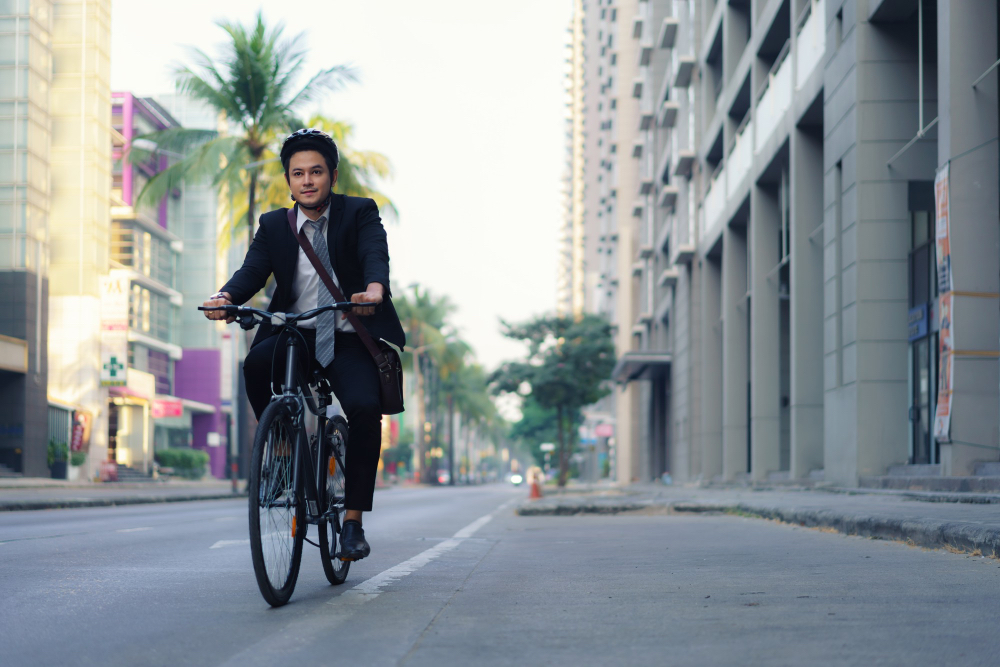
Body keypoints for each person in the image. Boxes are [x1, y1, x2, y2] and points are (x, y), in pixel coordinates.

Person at [202, 128, 405, 561]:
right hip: (296, 332)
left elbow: (375, 254)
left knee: (365, 409)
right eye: (298, 174)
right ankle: (282, 455)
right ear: (289, 181)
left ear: (332, 174)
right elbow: (252, 270)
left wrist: (372, 290)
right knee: (256, 365)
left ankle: (352, 521)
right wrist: (226, 297)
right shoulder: (275, 225)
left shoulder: (359, 213)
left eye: (316, 172)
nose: (307, 181)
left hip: (348, 335)